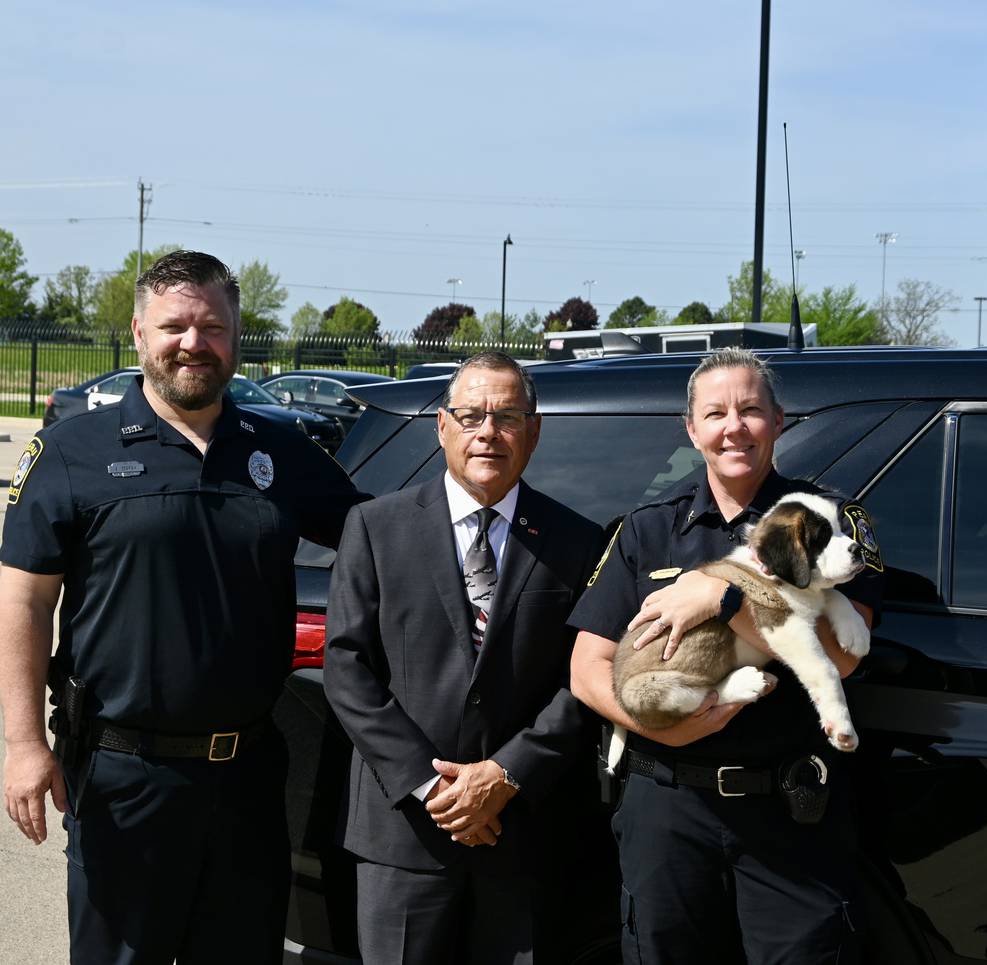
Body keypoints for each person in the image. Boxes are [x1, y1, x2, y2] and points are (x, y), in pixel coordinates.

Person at [0, 250, 364, 965]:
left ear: (235, 336)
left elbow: (382, 536)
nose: (193, 342)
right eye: (174, 326)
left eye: (213, 327)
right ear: (138, 334)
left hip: (250, 774)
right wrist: (23, 746)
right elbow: (23, 600)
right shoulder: (73, 450)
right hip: (122, 774)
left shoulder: (279, 451)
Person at [569, 347, 884, 965]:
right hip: (666, 807)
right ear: (692, 430)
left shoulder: (829, 521)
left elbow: (841, 660)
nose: (733, 427)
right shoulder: (646, 529)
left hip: (789, 812)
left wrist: (725, 598)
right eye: (715, 413)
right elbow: (585, 668)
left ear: (779, 420)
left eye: (751, 410)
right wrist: (662, 724)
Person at [324, 352, 604, 965]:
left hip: (522, 830)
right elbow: (348, 668)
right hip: (404, 833)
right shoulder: (375, 527)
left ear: (533, 431)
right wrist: (433, 786)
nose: (488, 432)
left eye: (507, 417)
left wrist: (503, 775)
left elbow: (584, 680)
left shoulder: (577, 542)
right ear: (442, 426)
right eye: (471, 414)